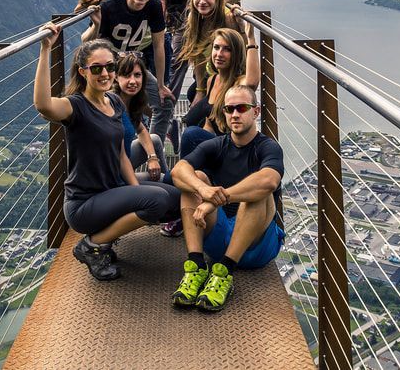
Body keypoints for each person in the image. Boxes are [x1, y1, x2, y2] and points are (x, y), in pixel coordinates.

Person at [33, 27, 180, 281]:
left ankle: (107, 235)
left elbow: (122, 154)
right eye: (96, 68)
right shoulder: (75, 106)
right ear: (83, 72)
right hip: (86, 204)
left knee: (174, 194)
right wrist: (46, 49)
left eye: (110, 67)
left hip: (112, 189)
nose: (105, 73)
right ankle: (92, 245)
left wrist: (136, 191)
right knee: (157, 200)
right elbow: (43, 105)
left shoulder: (113, 102)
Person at [169, 84, 285, 311]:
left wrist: (215, 201)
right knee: (194, 178)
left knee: (259, 193)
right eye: (229, 109)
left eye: (241, 108)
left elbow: (269, 181)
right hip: (218, 238)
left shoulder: (268, 147)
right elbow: (178, 170)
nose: (234, 114)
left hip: (256, 247)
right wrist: (202, 191)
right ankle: (196, 266)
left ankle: (225, 272)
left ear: (256, 112)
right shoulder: (217, 145)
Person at [84, 0, 175, 143]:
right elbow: (93, 45)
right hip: (110, 66)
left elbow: (158, 46)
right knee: (114, 109)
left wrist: (161, 85)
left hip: (133, 63)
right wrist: (96, 24)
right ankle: (116, 151)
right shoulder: (111, 5)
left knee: (165, 104)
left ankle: (151, 146)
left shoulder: (154, 7)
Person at [179, 25, 260, 159]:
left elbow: (252, 82)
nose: (219, 54)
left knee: (191, 134)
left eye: (227, 49)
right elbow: (209, 124)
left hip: (231, 152)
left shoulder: (237, 85)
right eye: (216, 48)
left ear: (236, 54)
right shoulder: (212, 80)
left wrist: (251, 40)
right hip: (213, 149)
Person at [177, 0, 243, 102]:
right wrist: (200, 91)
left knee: (193, 118)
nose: (202, 1)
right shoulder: (195, 19)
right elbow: (198, 57)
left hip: (228, 81)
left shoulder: (227, 18)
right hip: (211, 77)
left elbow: (240, 60)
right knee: (192, 94)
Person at [113, 52, 168, 180]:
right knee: (165, 190)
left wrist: (152, 158)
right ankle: (168, 180)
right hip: (112, 174)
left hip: (122, 163)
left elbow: (141, 129)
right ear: (116, 77)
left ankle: (168, 178)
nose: (133, 81)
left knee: (154, 139)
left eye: (137, 75)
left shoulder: (132, 100)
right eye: (126, 75)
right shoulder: (111, 103)